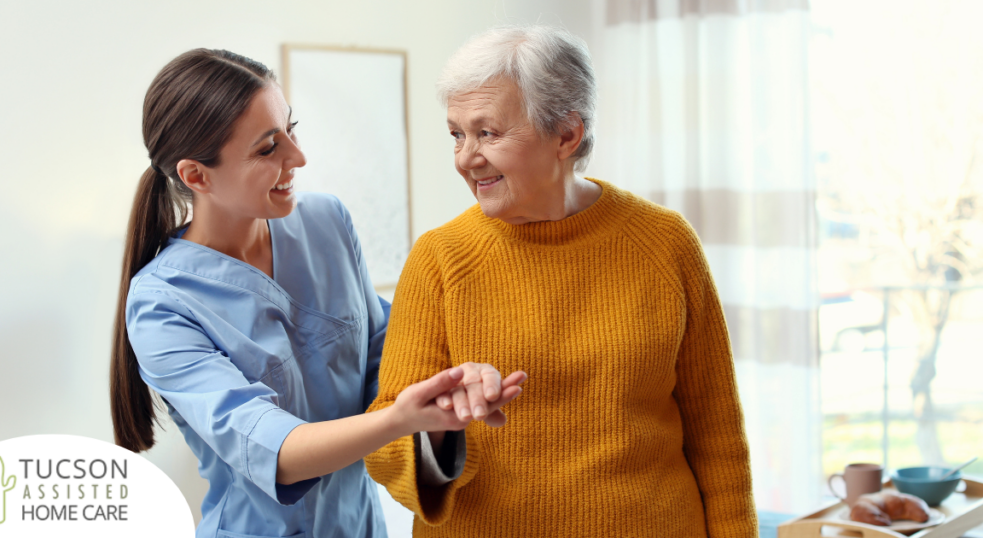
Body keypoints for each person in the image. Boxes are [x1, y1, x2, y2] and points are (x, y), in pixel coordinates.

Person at [108, 49, 524, 538]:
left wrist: (444, 394)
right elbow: (274, 453)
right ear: (196, 176)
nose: (298, 157)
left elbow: (381, 359)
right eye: (268, 149)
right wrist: (399, 417)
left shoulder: (327, 222)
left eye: (291, 129)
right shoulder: (162, 302)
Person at [365, 26, 758, 537]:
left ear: (566, 135)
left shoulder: (665, 242)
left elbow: (718, 436)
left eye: (488, 133)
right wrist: (439, 425)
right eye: (457, 134)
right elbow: (386, 447)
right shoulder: (439, 258)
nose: (466, 157)